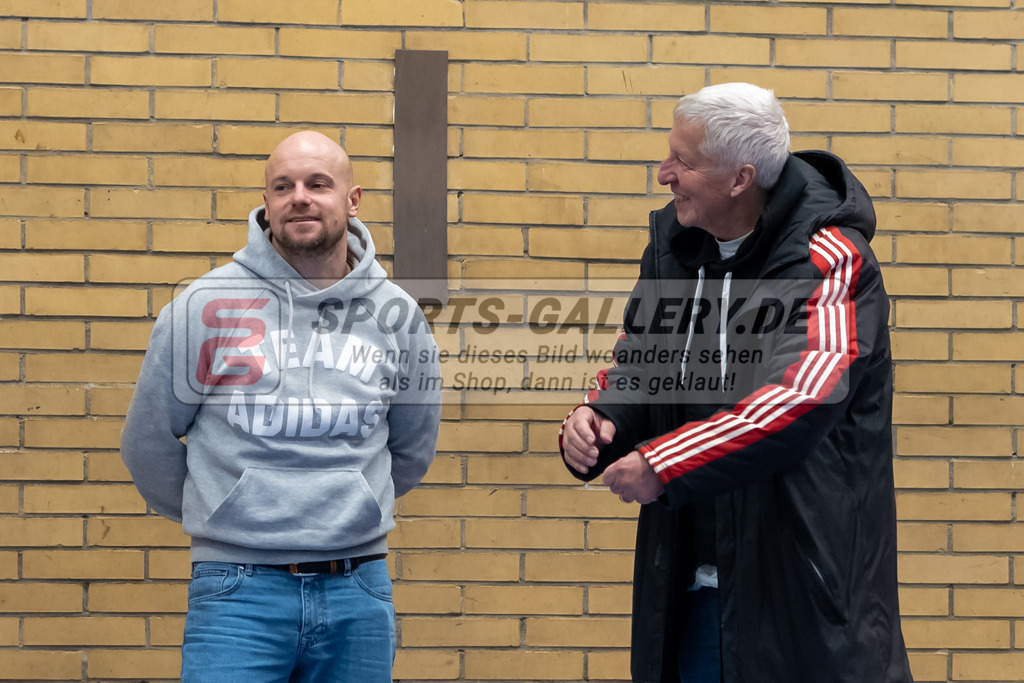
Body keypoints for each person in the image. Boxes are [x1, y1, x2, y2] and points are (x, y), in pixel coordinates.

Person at [559, 83, 912, 682]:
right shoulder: (673, 249)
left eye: (683, 161)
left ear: (740, 179)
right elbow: (642, 360)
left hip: (802, 600)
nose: (664, 172)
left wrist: (664, 465)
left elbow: (798, 398)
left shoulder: (830, 257)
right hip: (693, 594)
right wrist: (602, 418)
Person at [121, 131, 441, 681]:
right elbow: (147, 442)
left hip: (358, 588)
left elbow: (411, 445)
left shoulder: (398, 316)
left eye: (318, 184)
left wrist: (353, 504)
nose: (300, 197)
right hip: (236, 591)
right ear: (266, 202)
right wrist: (224, 509)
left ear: (352, 199)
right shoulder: (202, 306)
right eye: (283, 186)